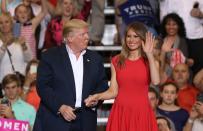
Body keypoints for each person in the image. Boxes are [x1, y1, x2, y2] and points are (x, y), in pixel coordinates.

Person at [33, 19, 108, 131]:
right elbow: (43, 87)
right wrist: (60, 107)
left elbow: (102, 85)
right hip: (55, 120)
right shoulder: (50, 57)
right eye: (83, 34)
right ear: (70, 38)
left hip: (85, 121)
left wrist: (96, 99)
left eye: (87, 33)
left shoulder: (95, 59)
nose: (87, 37)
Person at [85, 21, 160, 131]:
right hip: (121, 111)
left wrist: (149, 55)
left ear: (142, 39)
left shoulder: (150, 61)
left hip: (141, 112)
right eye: (128, 36)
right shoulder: (116, 61)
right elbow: (113, 91)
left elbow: (156, 81)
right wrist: (97, 96)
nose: (131, 40)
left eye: (135, 36)